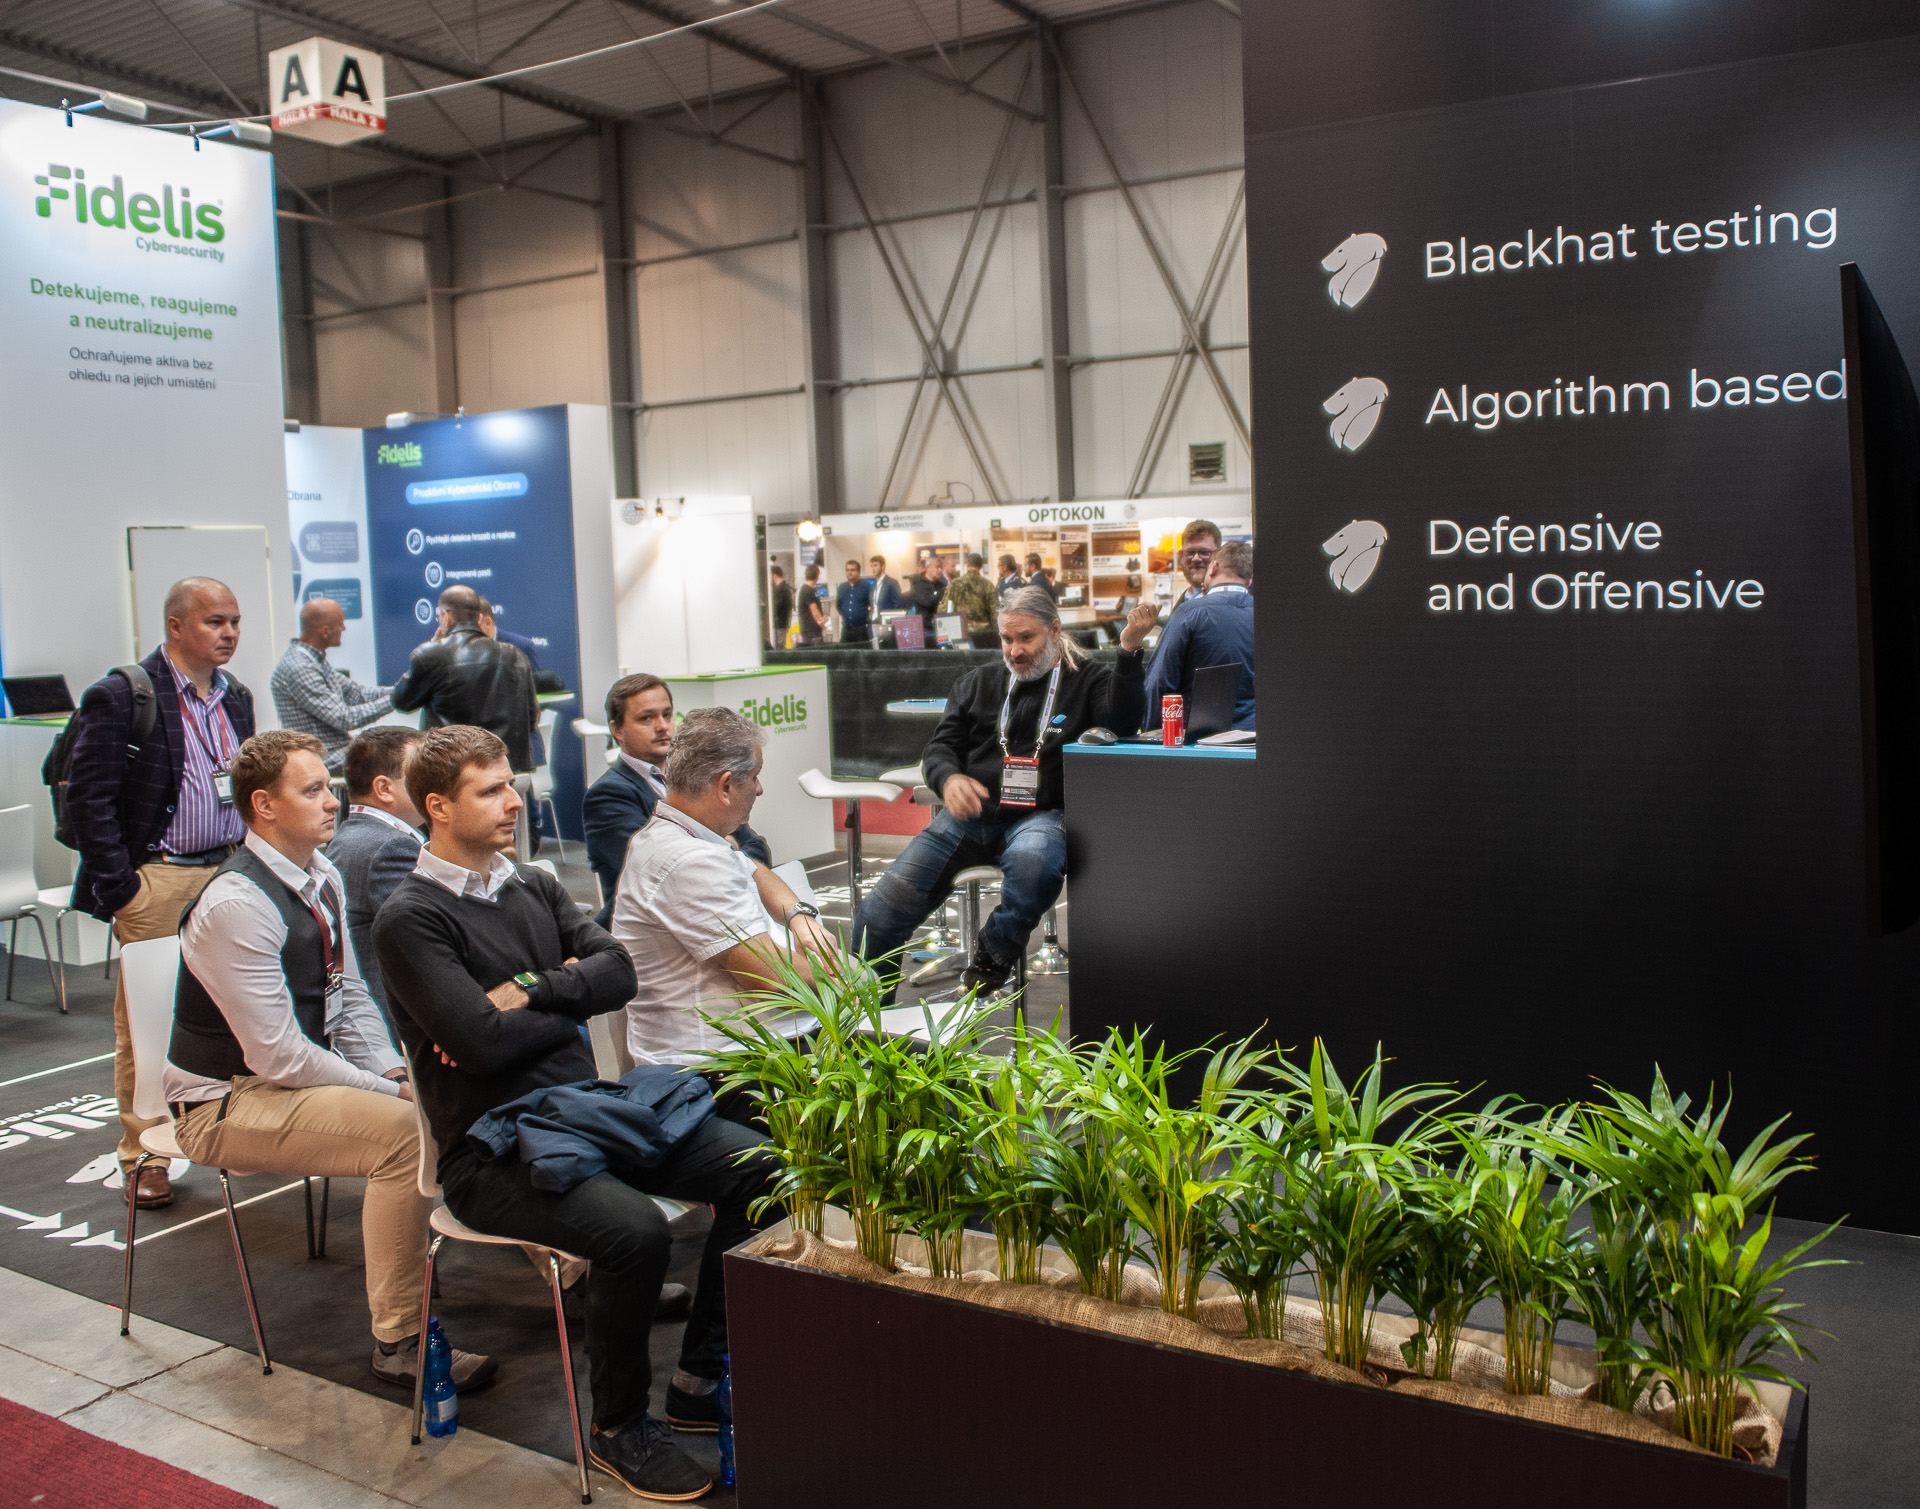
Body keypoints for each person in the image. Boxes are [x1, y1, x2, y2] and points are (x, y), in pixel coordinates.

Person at [376, 726, 775, 1501]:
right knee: (634, 1231)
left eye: (510, 783)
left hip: (588, 1112)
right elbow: (481, 1046)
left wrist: (534, 990)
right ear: (438, 806)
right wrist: (566, 1001)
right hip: (491, 1147)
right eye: (491, 789)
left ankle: (700, 1378)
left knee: (765, 1167)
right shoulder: (411, 916)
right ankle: (619, 1425)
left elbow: (619, 972)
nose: (513, 800)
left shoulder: (533, 883)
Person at [166, 729, 495, 1392]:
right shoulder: (236, 902)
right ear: (264, 805)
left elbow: (349, 997)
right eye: (312, 790)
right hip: (223, 1102)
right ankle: (400, 1339)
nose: (331, 802)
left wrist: (396, 1071)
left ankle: (569, 1266)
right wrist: (389, 1091)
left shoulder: (321, 873)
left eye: (327, 786)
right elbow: (279, 1056)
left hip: (286, 1083)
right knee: (405, 1134)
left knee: (463, 1083)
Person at [854, 587, 1157, 997]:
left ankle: (993, 954)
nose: (1015, 651)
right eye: (1006, 639)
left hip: (1041, 815)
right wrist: (948, 779)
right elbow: (939, 748)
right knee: (878, 915)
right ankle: (868, 1017)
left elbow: (1121, 722)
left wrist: (1128, 650)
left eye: (1026, 638)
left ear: (1054, 630)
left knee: (1035, 865)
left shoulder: (1087, 678)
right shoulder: (977, 683)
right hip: (970, 817)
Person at [66, 576, 255, 1209]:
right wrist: (123, 888)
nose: (228, 633)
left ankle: (233, 1133)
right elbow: (86, 800)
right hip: (159, 877)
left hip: (229, 873)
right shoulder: (125, 694)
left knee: (237, 1011)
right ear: (176, 626)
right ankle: (144, 1154)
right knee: (148, 1024)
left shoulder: (236, 696)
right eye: (214, 622)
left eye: (234, 621)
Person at [612, 708, 842, 1074]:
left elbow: (756, 871)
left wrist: (801, 919)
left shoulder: (687, 833)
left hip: (762, 1050)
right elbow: (774, 980)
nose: (759, 788)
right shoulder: (688, 860)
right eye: (754, 777)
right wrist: (838, 973)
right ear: (725, 787)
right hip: (724, 1070)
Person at [583, 674, 771, 929]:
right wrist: (726, 846)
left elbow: (757, 846)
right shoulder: (607, 795)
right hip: (653, 927)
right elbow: (665, 870)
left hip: (717, 912)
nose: (662, 726)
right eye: (646, 718)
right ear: (617, 730)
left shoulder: (695, 776)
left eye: (667, 714)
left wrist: (722, 847)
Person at [325, 726, 425, 1027]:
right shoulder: (389, 848)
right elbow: (428, 943)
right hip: (396, 1021)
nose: (436, 783)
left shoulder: (355, 835)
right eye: (422, 773)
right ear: (384, 788)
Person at [389, 586, 538, 772]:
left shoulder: (431, 655)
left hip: (453, 773)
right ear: (478, 617)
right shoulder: (515, 655)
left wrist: (431, 645)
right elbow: (531, 717)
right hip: (508, 771)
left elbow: (401, 702)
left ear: (446, 617)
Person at [1143, 539, 1256, 731]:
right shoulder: (1267, 615)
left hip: (1201, 738)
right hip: (1257, 737)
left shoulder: (1189, 613)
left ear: (1214, 568)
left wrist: (1150, 734)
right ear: (1249, 580)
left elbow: (1159, 682)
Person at [271, 598, 393, 774]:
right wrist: (396, 700)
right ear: (325, 631)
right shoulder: (300, 668)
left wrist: (406, 688)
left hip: (337, 751)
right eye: (340, 624)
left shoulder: (313, 660)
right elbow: (344, 718)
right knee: (396, 756)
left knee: (394, 746)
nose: (344, 629)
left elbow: (358, 694)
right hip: (320, 759)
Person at [940, 553, 997, 635]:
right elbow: (995, 611)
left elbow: (945, 608)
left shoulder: (955, 583)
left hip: (961, 630)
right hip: (984, 632)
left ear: (968, 564)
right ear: (981, 566)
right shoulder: (988, 585)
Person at [835, 559, 874, 644]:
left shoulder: (866, 586)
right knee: (844, 651)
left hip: (861, 630)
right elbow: (838, 606)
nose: (849, 572)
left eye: (852, 570)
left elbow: (872, 605)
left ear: (858, 572)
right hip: (846, 629)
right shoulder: (842, 587)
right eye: (847, 570)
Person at [906, 557, 948, 636]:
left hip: (940, 627)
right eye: (937, 567)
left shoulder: (941, 585)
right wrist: (941, 592)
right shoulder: (919, 585)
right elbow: (928, 601)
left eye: (941, 568)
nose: (940, 570)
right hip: (925, 630)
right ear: (928, 568)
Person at [866, 555, 904, 621]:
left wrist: (890, 619)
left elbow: (898, 604)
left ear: (883, 566)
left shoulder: (892, 583)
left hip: (886, 620)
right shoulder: (873, 585)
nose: (873, 569)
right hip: (873, 620)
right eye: (871, 566)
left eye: (875, 565)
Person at [797, 564, 827, 645]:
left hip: (808, 631)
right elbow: (815, 612)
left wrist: (824, 616)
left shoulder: (806, 589)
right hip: (812, 632)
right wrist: (823, 627)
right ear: (817, 576)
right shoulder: (808, 591)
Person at [768, 565, 793, 647]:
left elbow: (776, 607)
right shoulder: (786, 588)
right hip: (784, 623)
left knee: (779, 646)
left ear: (774, 575)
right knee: (781, 645)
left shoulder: (780, 590)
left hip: (779, 624)